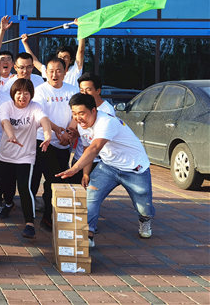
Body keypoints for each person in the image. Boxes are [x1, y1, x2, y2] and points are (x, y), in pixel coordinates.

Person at [57, 93, 155, 247]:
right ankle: (89, 234)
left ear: (93, 110)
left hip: (135, 168)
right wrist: (85, 173)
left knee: (144, 207)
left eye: (81, 113)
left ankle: (145, 220)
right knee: (91, 195)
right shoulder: (82, 125)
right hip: (108, 166)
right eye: (74, 114)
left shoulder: (107, 122)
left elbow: (95, 148)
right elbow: (88, 148)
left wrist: (75, 168)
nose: (78, 118)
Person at [0, 78, 52, 239]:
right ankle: (9, 204)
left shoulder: (35, 107)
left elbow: (44, 120)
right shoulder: (6, 106)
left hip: (25, 156)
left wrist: (48, 135)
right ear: (13, 94)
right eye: (19, 93)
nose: (22, 97)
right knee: (7, 186)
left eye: (26, 93)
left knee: (24, 188)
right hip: (6, 154)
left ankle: (29, 223)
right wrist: (11, 135)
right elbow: (5, 122)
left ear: (31, 95)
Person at [30, 57, 79, 230]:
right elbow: (40, 115)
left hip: (64, 142)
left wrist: (69, 132)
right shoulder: (40, 91)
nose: (54, 74)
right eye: (51, 71)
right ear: (46, 72)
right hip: (44, 140)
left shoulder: (73, 90)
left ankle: (51, 212)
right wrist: (58, 131)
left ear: (65, 72)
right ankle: (46, 217)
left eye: (58, 70)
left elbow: (76, 114)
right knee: (53, 178)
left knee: (58, 177)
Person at [65, 73, 116, 184]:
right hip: (79, 157)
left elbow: (98, 141)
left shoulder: (107, 111)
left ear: (98, 91)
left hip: (97, 161)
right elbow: (75, 128)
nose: (84, 93)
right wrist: (71, 134)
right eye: (81, 90)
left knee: (92, 192)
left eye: (88, 90)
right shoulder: (80, 106)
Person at [21, 21, 85, 87]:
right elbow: (34, 61)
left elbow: (81, 51)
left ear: (71, 60)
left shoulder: (75, 71)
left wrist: (81, 28)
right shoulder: (50, 72)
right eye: (60, 56)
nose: (62, 59)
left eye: (65, 57)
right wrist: (25, 43)